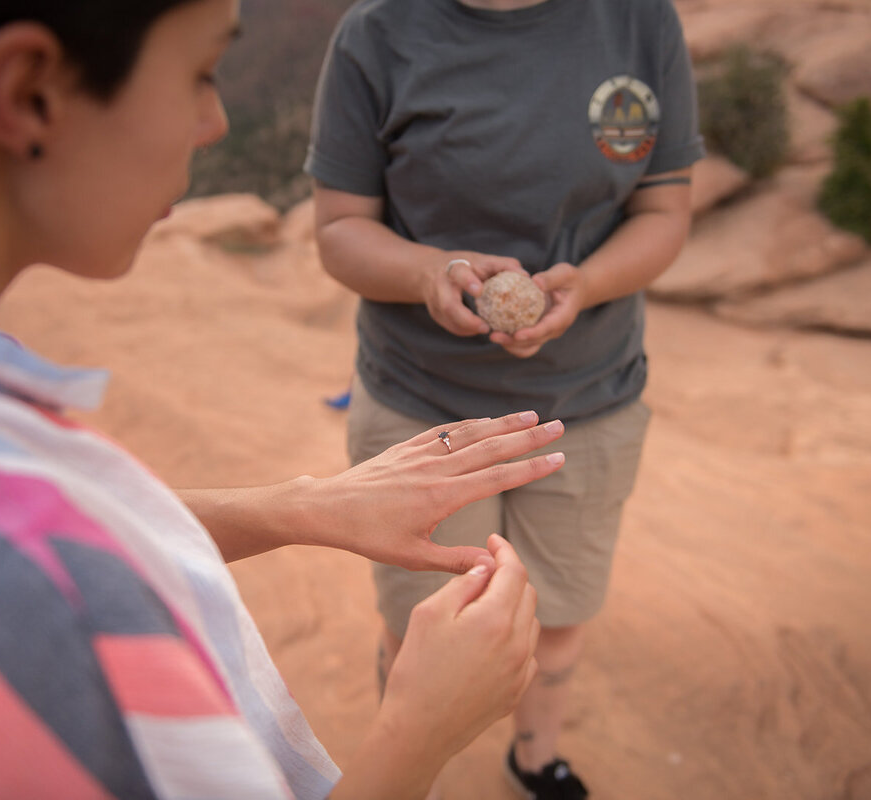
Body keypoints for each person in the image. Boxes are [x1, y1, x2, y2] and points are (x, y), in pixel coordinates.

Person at [0, 1, 574, 798]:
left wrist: (301, 506)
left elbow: (45, 537)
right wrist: (419, 731)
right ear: (28, 95)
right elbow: (34, 566)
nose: (214, 121)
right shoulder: (36, 614)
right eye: (199, 72)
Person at [306, 0, 705, 796]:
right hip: (424, 408)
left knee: (556, 617)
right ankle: (408, 777)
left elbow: (664, 209)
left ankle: (533, 760)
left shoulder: (638, 21)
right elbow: (340, 227)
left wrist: (584, 286)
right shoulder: (378, 31)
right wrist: (429, 273)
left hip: (587, 401)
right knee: (424, 624)